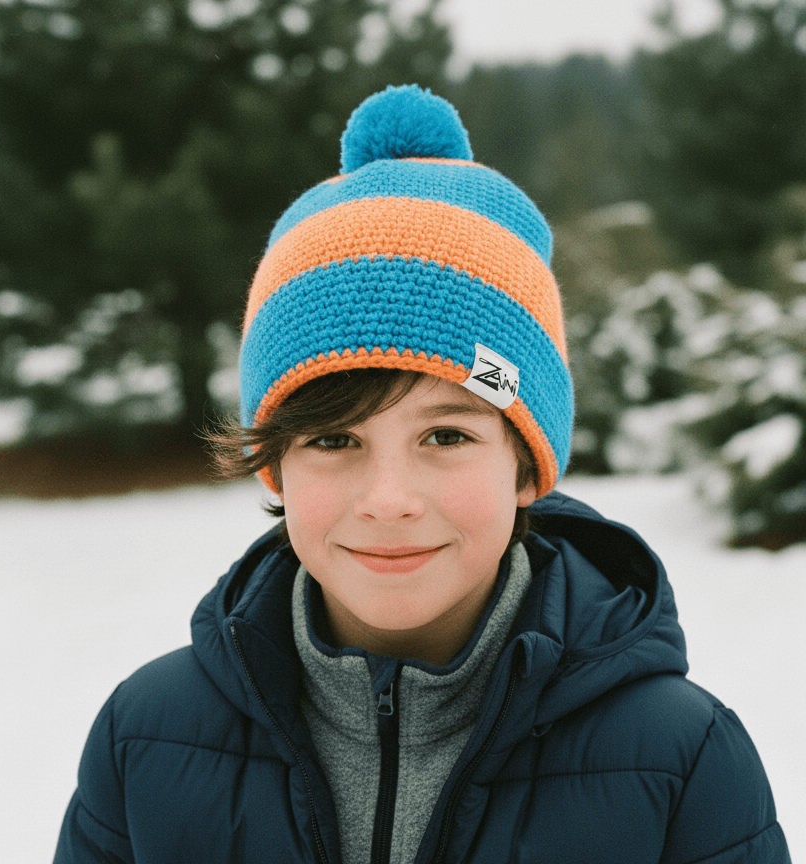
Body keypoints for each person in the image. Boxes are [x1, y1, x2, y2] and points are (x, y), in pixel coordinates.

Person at [53, 85, 790, 864]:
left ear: (526, 464)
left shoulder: (681, 758)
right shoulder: (145, 740)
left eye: (445, 434)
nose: (390, 501)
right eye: (334, 441)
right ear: (272, 466)